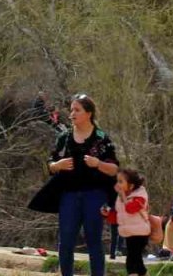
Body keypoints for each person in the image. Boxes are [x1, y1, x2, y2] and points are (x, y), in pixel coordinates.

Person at [48, 94, 119, 276]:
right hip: (69, 195)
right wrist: (58, 165)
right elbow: (50, 163)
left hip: (94, 195)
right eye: (71, 110)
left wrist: (98, 164)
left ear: (89, 113)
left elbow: (114, 169)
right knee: (66, 241)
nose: (72, 114)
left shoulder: (102, 138)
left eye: (77, 110)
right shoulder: (64, 138)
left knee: (94, 240)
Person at [103, 168, 151, 276]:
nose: (118, 184)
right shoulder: (120, 198)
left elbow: (130, 209)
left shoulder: (140, 196)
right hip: (129, 233)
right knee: (137, 261)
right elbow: (116, 218)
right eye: (117, 181)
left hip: (140, 233)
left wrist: (123, 196)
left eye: (121, 181)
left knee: (131, 260)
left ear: (131, 185)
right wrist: (107, 214)